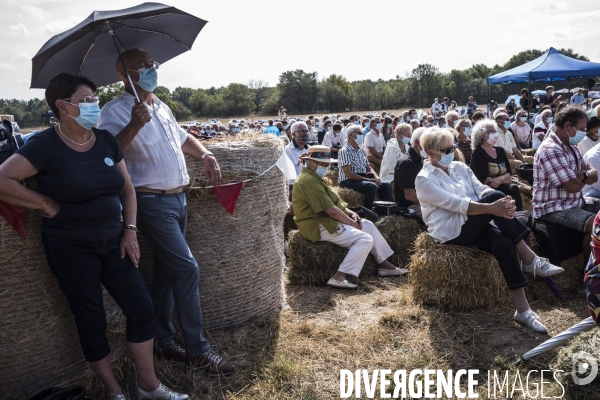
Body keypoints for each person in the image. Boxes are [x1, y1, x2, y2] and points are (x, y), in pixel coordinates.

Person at [0, 73, 188, 399]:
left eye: (94, 100)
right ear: (63, 106)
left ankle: (148, 385)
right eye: (86, 101)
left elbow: (127, 189)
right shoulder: (44, 145)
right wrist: (43, 203)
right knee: (91, 318)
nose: (94, 106)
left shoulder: (105, 140)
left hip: (114, 240)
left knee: (141, 309)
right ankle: (114, 391)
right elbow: (3, 179)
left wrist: (130, 230)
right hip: (70, 246)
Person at [97, 48, 234, 375]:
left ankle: (163, 340)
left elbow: (182, 137)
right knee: (186, 269)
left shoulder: (161, 105)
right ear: (124, 75)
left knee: (167, 273)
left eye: (152, 63)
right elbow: (107, 154)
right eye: (143, 66)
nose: (151, 68)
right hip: (150, 201)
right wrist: (133, 124)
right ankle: (198, 350)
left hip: (177, 198)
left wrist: (205, 153)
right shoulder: (113, 111)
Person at [415, 128, 563, 334]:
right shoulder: (424, 180)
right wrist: (494, 206)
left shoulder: (459, 167)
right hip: (451, 230)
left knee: (503, 242)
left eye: (453, 146)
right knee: (494, 203)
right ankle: (529, 259)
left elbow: (481, 189)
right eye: (446, 149)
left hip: (475, 220)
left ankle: (523, 310)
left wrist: (502, 201)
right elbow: (457, 204)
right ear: (430, 153)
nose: (452, 151)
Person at [292, 146, 406, 289]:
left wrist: (351, 213)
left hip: (326, 221)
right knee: (364, 239)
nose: (327, 168)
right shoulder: (308, 180)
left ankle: (384, 265)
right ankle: (340, 276)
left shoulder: (314, 178)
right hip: (317, 225)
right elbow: (331, 210)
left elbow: (335, 204)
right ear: (312, 163)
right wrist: (350, 222)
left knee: (368, 226)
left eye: (327, 164)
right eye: (324, 165)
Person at [533, 106, 600, 263]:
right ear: (568, 126)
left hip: (574, 202)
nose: (584, 132)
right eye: (582, 129)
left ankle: (588, 269)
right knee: (598, 225)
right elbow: (573, 186)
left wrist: (578, 175)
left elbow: (594, 175)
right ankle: (592, 275)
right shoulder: (551, 149)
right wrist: (582, 175)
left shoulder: (571, 147)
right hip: (553, 208)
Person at [470, 119, 523, 210]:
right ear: (483, 135)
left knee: (514, 186)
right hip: (486, 189)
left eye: (495, 130)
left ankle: (521, 215)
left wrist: (499, 179)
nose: (495, 133)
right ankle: (517, 215)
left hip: (501, 184)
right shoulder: (478, 152)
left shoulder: (500, 150)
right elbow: (484, 180)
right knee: (513, 188)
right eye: (491, 131)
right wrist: (505, 179)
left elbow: (509, 172)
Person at [338, 125, 393, 209]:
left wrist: (376, 178)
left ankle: (389, 208)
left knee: (385, 185)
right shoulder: (344, 151)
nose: (361, 135)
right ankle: (368, 211)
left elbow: (369, 167)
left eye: (362, 133)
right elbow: (348, 173)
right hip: (349, 181)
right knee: (371, 186)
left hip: (362, 177)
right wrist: (369, 180)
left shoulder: (361, 150)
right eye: (359, 133)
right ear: (351, 135)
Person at [394, 127, 427, 218]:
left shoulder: (425, 160)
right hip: (411, 205)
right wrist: (433, 203)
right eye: (428, 143)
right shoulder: (406, 163)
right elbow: (410, 195)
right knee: (441, 216)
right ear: (418, 142)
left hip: (424, 201)